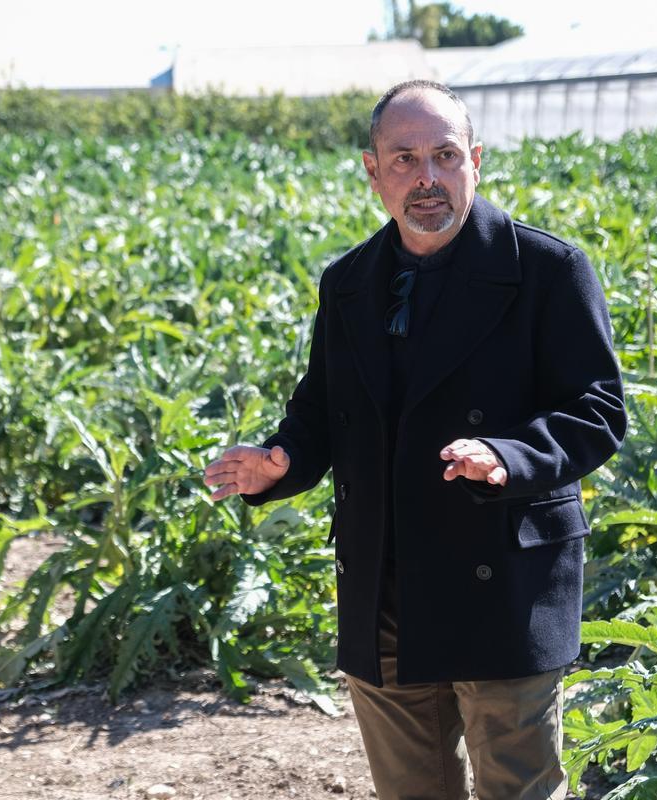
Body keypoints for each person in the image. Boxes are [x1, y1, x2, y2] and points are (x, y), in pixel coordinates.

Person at [204, 80, 627, 800]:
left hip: (502, 580)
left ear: (477, 161)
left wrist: (508, 456)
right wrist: (281, 461)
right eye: (404, 158)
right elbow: (323, 408)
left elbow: (597, 409)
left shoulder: (548, 271)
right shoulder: (350, 283)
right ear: (373, 171)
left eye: (444, 155)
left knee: (517, 790)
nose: (426, 177)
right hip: (385, 585)